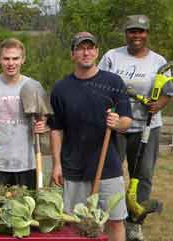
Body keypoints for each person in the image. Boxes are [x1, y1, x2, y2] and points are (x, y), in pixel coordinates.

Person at [50, 32, 132, 241]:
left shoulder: (113, 81)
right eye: (80, 48)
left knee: (115, 220)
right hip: (73, 167)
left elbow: (127, 121)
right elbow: (56, 129)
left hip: (108, 166)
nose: (86, 52)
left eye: (90, 47)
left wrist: (117, 123)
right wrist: (57, 164)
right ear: (72, 54)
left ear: (97, 51)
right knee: (75, 223)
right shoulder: (61, 88)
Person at [98, 15, 170, 241]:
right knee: (112, 174)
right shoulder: (112, 56)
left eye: (141, 31)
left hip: (148, 127)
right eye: (132, 31)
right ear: (125, 33)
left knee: (143, 174)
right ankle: (111, 220)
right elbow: (100, 83)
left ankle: (135, 222)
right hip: (117, 126)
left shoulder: (159, 61)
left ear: (147, 34)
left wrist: (159, 104)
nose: (136, 36)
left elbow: (168, 92)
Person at [0, 38, 49, 189]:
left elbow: (43, 118)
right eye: (6, 58)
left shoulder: (33, 86)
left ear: (23, 60)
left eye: (15, 58)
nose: (11, 63)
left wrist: (43, 125)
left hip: (27, 163)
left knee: (26, 210)